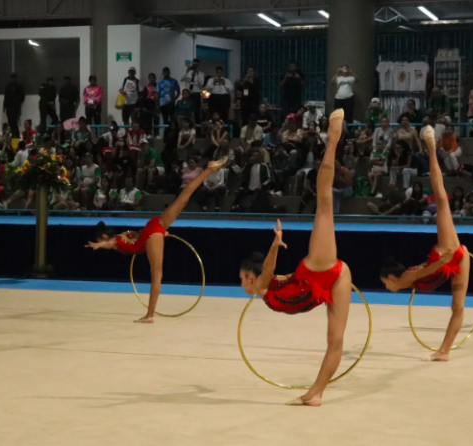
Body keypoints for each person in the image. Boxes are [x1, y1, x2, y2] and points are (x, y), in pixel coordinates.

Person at [239, 109, 355, 407]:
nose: (241, 284)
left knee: (324, 202)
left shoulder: (264, 284)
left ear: (250, 278)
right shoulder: (270, 287)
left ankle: (334, 138)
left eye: (242, 279)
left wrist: (276, 244)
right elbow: (277, 276)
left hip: (318, 269)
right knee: (335, 341)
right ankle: (315, 393)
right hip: (335, 280)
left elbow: (268, 267)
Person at [86, 157, 228, 322]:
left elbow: (111, 243)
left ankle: (150, 315)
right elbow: (140, 236)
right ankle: (209, 170)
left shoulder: (117, 241)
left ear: (104, 236)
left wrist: (99, 245)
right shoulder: (123, 235)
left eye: (101, 238)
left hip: (152, 233)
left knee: (156, 277)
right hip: (155, 225)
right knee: (183, 198)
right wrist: (161, 234)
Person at [380, 126, 467, 361]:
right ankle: (444, 351)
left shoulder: (405, 278)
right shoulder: (407, 280)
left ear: (391, 278)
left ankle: (430, 145)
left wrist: (443, 261)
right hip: (457, 259)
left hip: (445, 255)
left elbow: (428, 269)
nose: (388, 290)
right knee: (457, 307)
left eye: (386, 285)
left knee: (441, 200)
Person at [180, 59, 205, 123]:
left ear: (198, 65)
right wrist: (187, 71)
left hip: (197, 94)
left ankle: (198, 129)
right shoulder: (188, 72)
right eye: (194, 64)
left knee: (197, 112)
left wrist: (197, 74)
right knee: (187, 112)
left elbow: (201, 84)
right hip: (188, 94)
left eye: (196, 64)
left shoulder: (201, 74)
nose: (195, 66)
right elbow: (181, 79)